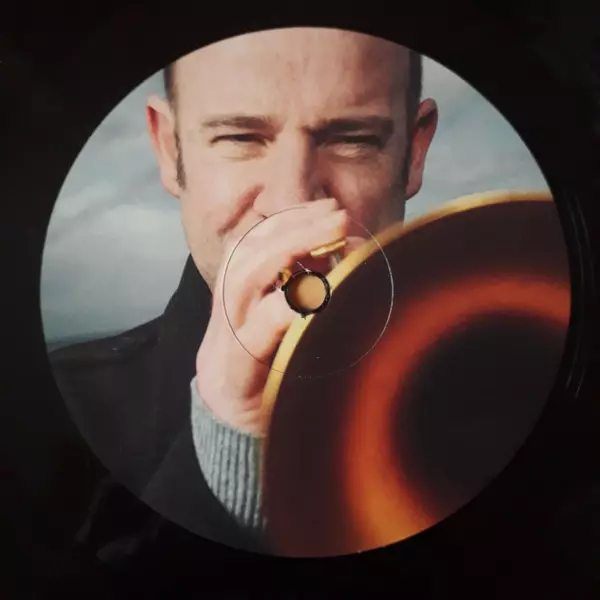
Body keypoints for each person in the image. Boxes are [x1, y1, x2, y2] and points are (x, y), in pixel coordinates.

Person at [49, 27, 438, 555]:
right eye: (239, 138)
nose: (291, 202)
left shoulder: (513, 389)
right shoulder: (55, 413)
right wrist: (227, 451)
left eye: (354, 139)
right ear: (169, 149)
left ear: (414, 154)